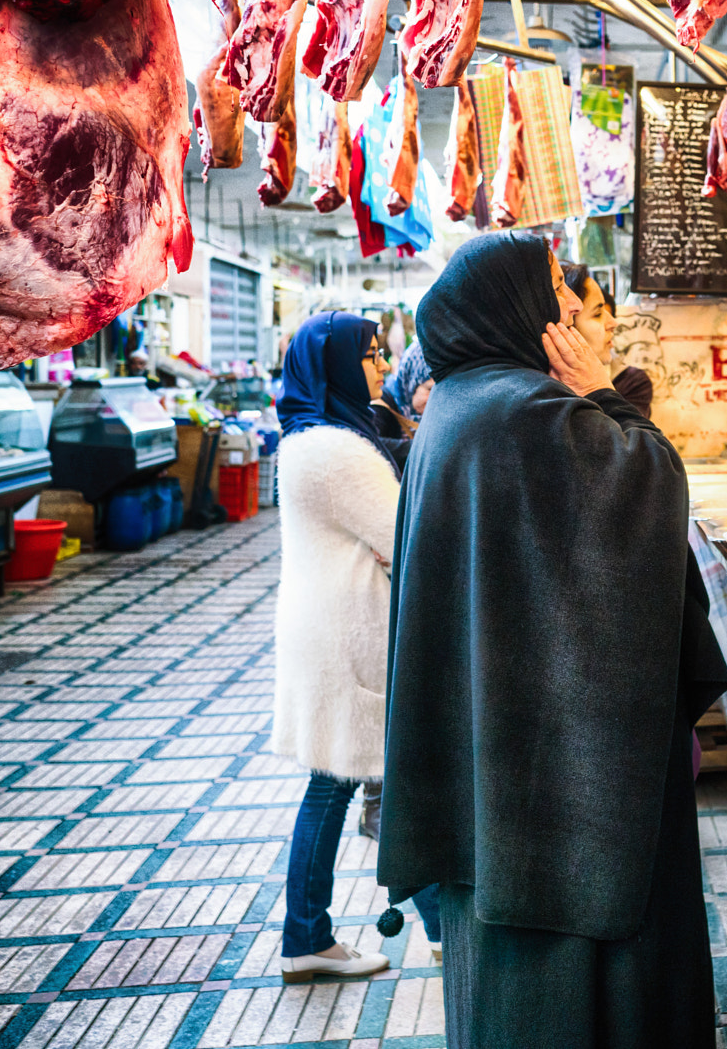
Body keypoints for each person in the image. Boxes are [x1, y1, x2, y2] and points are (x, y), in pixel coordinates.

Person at [378, 232, 727, 1049]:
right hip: (566, 790)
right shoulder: (526, 411)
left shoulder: (461, 405)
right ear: (512, 308)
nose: (572, 305)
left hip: (498, 762)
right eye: (554, 291)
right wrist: (606, 394)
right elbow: (646, 490)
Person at [271, 311, 438, 983]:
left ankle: (309, 934)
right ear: (335, 364)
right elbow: (406, 534)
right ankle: (441, 927)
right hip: (349, 637)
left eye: (379, 351)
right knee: (393, 783)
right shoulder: (337, 452)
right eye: (368, 354)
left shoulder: (313, 439)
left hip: (329, 629)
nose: (380, 365)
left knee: (341, 784)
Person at [560, 263, 654, 419]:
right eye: (597, 314)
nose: (613, 324)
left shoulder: (631, 381)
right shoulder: (539, 391)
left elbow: (628, 441)